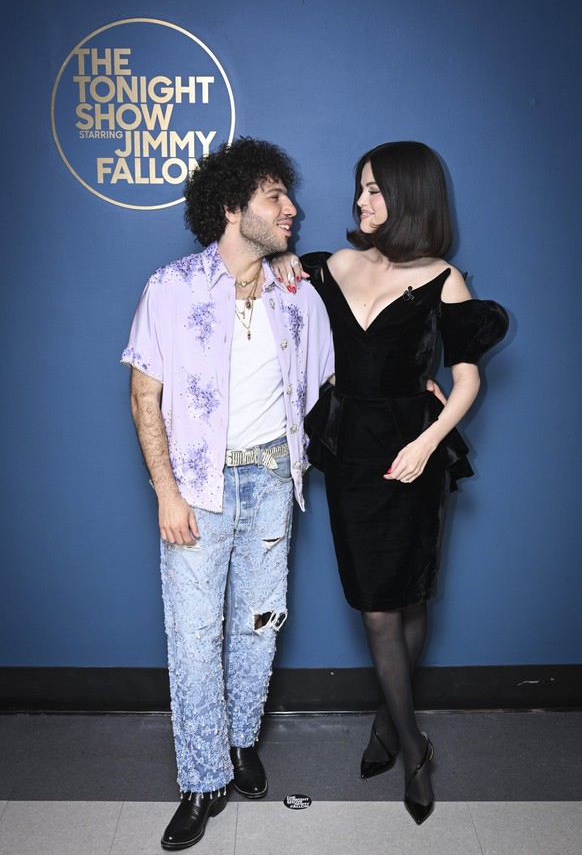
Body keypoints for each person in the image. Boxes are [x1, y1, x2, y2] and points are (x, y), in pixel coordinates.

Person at [272, 140, 508, 825]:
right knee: (376, 604)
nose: (360, 201)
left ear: (411, 196)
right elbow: (275, 300)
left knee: (408, 595)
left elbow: (468, 378)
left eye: (375, 189)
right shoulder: (331, 264)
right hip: (351, 451)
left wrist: (429, 439)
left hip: (416, 449)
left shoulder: (444, 278)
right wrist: (284, 263)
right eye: (360, 188)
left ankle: (391, 728)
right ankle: (415, 744)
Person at [121, 137, 334, 850]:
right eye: (276, 197)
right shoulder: (171, 287)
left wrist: (425, 384)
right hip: (198, 487)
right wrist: (166, 491)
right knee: (192, 635)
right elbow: (144, 392)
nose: (292, 209)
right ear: (233, 205)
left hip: (274, 477)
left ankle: (242, 742)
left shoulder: (298, 292)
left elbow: (342, 371)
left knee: (260, 621)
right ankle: (202, 779)